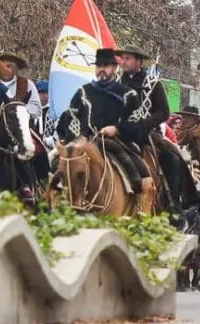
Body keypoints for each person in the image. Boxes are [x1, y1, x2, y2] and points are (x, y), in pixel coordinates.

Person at [55, 47, 156, 213]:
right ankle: (51, 204)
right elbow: (71, 117)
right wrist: (78, 138)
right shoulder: (83, 92)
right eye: (98, 66)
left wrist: (117, 129)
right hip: (84, 144)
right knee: (56, 166)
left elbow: (136, 123)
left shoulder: (128, 94)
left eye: (106, 65)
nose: (101, 69)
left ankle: (141, 208)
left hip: (115, 142)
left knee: (140, 171)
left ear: (115, 67)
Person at [117, 44, 187, 212]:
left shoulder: (153, 83)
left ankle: (173, 204)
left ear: (139, 61)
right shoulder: (116, 83)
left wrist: (144, 124)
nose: (123, 62)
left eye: (128, 58)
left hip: (148, 133)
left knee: (173, 159)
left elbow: (163, 112)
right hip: (120, 132)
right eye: (122, 58)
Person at [0, 51, 42, 122]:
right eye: (2, 67)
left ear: (16, 69)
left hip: (22, 126)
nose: (5, 69)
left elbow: (37, 110)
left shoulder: (27, 84)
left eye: (8, 66)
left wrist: (19, 108)